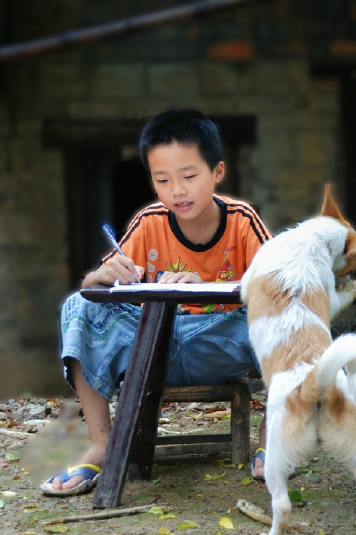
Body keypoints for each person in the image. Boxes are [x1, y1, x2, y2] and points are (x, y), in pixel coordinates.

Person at [42, 109, 272, 496]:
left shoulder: (242, 219)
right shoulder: (149, 222)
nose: (176, 191)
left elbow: (276, 285)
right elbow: (92, 292)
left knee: (289, 309)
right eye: (162, 180)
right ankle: (101, 443)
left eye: (188, 176)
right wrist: (101, 277)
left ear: (217, 172)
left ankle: (272, 439)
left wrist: (207, 283)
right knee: (78, 306)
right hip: (151, 345)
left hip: (219, 342)